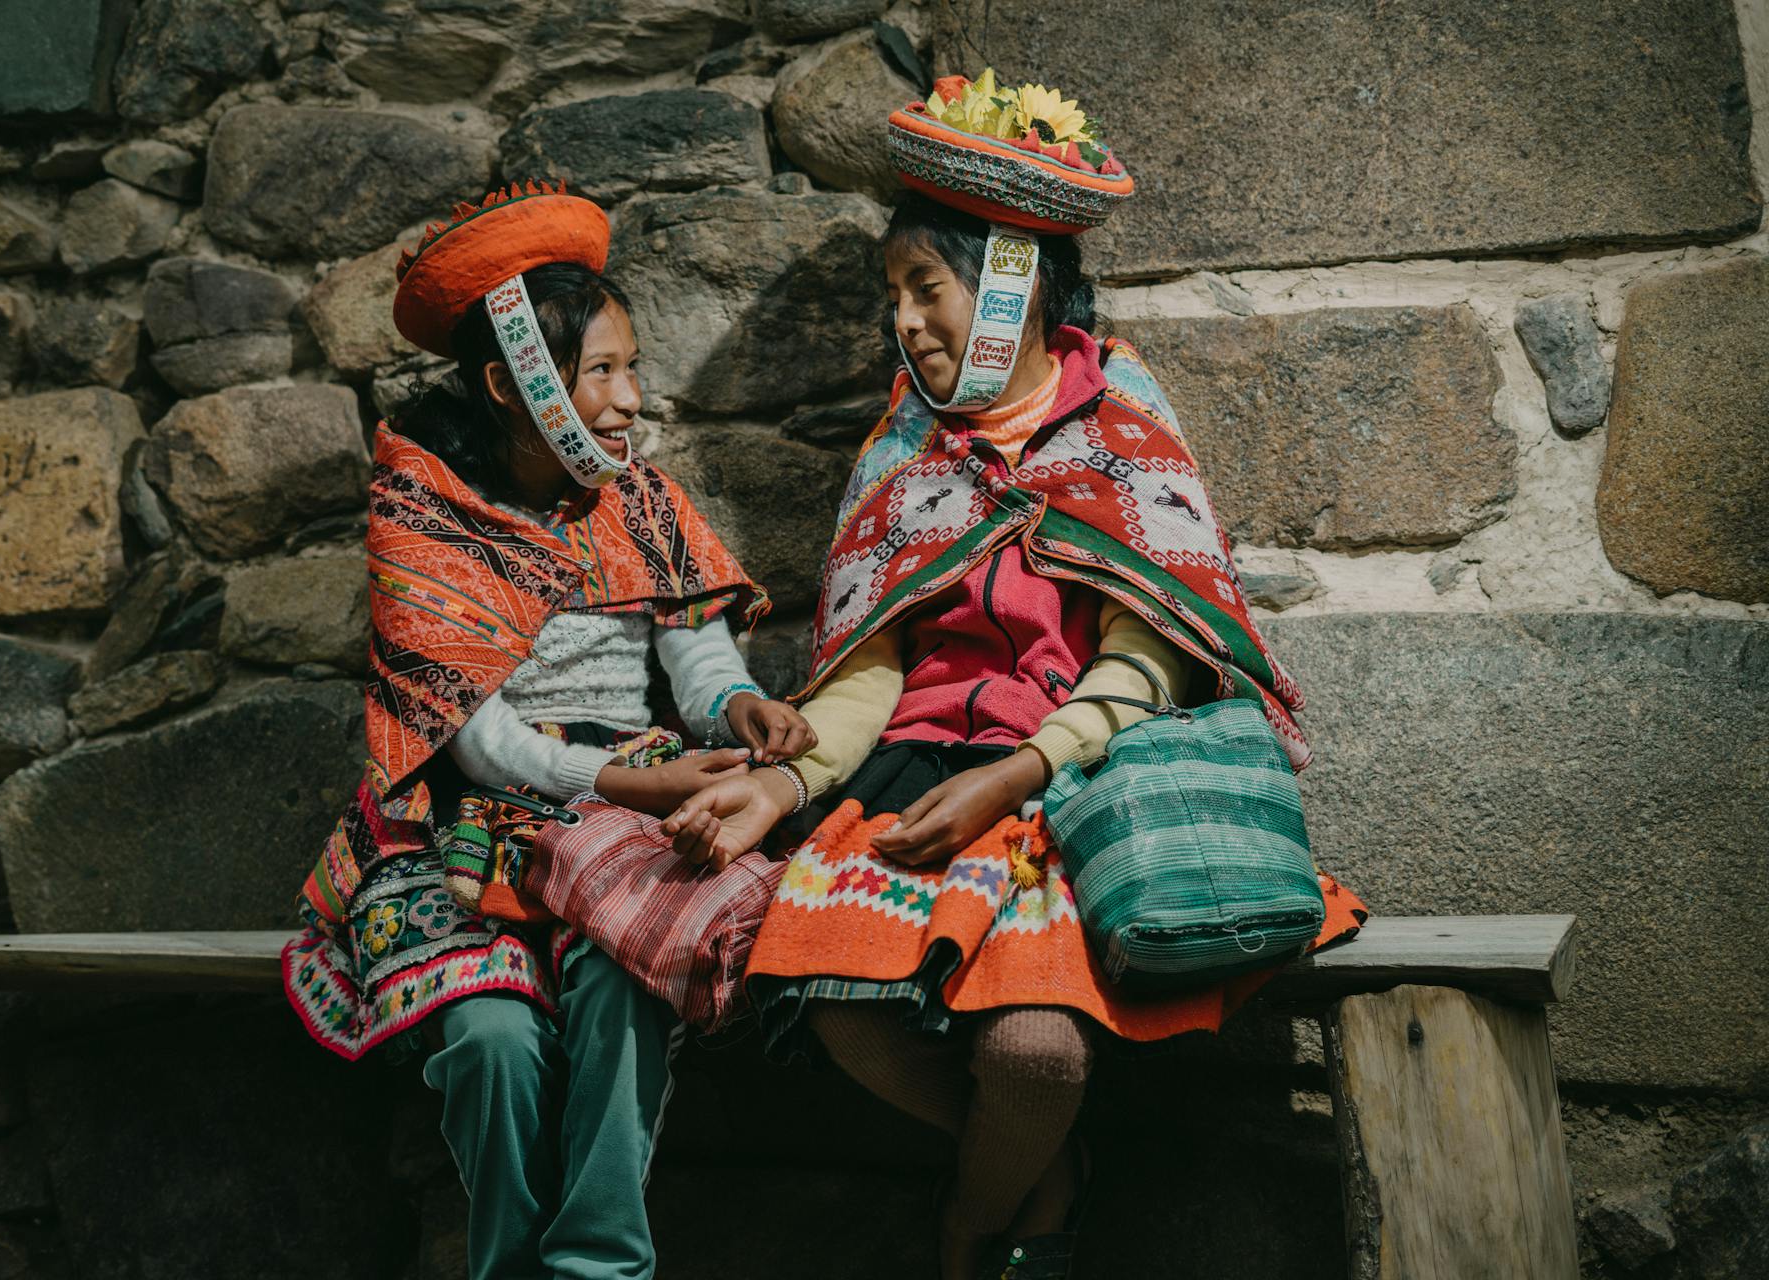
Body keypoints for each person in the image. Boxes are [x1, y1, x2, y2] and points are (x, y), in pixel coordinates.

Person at [662, 71, 1367, 1280]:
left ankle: (970, 1223)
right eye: (895, 296)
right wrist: (778, 792)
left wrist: (1021, 772)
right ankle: (1040, 1182)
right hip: (908, 778)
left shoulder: (1122, 430)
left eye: (924, 288)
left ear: (1009, 282)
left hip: (1059, 783)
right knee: (840, 1006)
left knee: (1038, 1052)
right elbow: (867, 671)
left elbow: (1151, 657)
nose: (906, 323)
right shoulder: (904, 451)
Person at [281, 180, 814, 1280]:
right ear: (510, 379)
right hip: (463, 820)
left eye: (631, 367)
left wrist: (735, 705)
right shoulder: (422, 510)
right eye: (602, 371)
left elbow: (693, 650)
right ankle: (507, 1261)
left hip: (620, 800)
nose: (629, 399)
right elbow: (478, 741)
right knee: (489, 1039)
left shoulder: (641, 500)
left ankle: (597, 1265)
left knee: (630, 981)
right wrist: (633, 784)